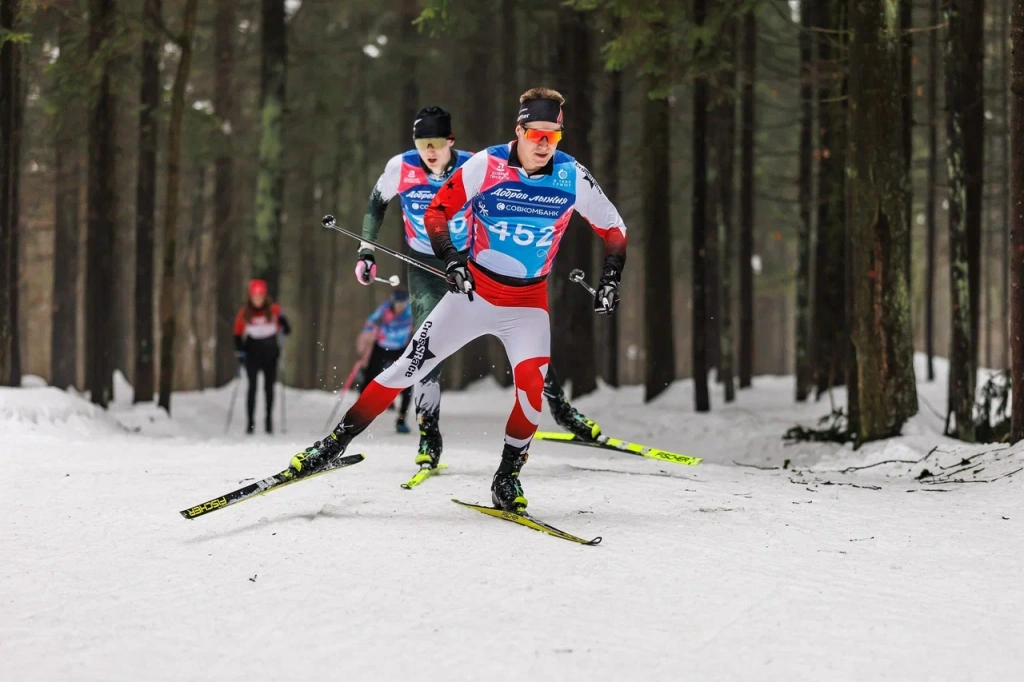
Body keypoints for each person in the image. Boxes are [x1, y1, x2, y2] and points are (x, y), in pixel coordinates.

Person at [292, 87, 627, 512]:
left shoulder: (571, 175)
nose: (544, 144)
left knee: (530, 391)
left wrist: (611, 277)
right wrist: (451, 259)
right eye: (535, 134)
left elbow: (614, 228)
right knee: (405, 369)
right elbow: (436, 211)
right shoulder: (486, 164)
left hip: (527, 305)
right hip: (473, 295)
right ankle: (332, 445)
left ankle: (506, 479)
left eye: (553, 135)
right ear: (519, 131)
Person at [354, 104, 603, 475]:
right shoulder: (399, 168)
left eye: (437, 142)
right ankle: (429, 434)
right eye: (423, 143)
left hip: (469, 262)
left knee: (526, 347)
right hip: (424, 263)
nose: (430, 151)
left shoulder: (475, 164)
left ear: (450, 142)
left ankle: (562, 409)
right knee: (423, 348)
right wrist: (367, 249)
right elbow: (376, 204)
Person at [233, 279, 291, 434]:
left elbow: (286, 329)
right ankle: (250, 422)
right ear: (250, 297)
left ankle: (268, 421)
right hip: (252, 353)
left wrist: (284, 324)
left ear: (265, 296)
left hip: (270, 353)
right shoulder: (245, 312)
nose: (257, 299)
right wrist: (239, 351)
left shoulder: (274, 310)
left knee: (269, 388)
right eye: (255, 296)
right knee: (252, 387)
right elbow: (237, 334)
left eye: (260, 296)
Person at [357, 289, 414, 433]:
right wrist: (371, 328)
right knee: (369, 378)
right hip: (381, 347)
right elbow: (369, 323)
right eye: (397, 303)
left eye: (403, 304)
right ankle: (359, 414)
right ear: (392, 301)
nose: (400, 306)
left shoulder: (410, 312)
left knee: (406, 382)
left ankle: (401, 419)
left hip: (400, 349)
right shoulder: (384, 309)